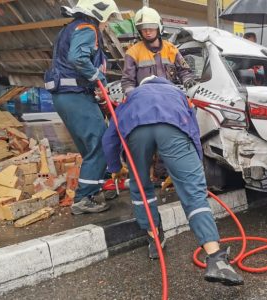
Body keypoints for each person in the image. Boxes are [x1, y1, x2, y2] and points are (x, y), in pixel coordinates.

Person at [102, 76, 244, 285]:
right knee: (194, 195)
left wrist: (115, 167)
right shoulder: (177, 94)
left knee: (141, 188)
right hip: (173, 128)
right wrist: (193, 168)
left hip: (136, 131)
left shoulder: (131, 98)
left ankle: (154, 240)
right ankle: (216, 259)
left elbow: (109, 137)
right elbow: (193, 131)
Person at [43, 0, 120, 215]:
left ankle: (94, 190)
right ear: (99, 13)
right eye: (108, 19)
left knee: (90, 148)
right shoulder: (87, 28)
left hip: (68, 97)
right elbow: (78, 58)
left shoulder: (72, 27)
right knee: (101, 144)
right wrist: (98, 77)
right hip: (75, 96)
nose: (108, 24)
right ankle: (84, 198)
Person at [121, 6, 196, 98]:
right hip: (145, 99)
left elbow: (184, 71)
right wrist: (133, 96)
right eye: (143, 28)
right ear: (139, 31)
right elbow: (128, 81)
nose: (147, 32)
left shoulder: (171, 49)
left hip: (170, 96)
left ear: (158, 27)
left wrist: (188, 80)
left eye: (151, 27)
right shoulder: (132, 52)